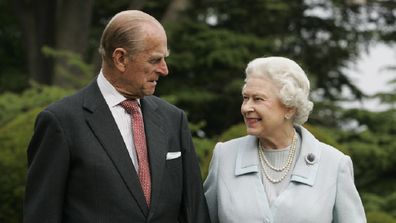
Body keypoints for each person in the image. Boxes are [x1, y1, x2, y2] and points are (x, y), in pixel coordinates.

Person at [24, 10, 210, 223]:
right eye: (155, 60)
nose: (164, 69)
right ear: (120, 58)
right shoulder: (61, 122)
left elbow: (195, 212)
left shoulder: (173, 119)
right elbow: (42, 215)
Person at [203, 56, 366, 223]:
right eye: (245, 97)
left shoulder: (334, 164)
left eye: (258, 99)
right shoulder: (224, 157)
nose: (246, 108)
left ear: (289, 108)